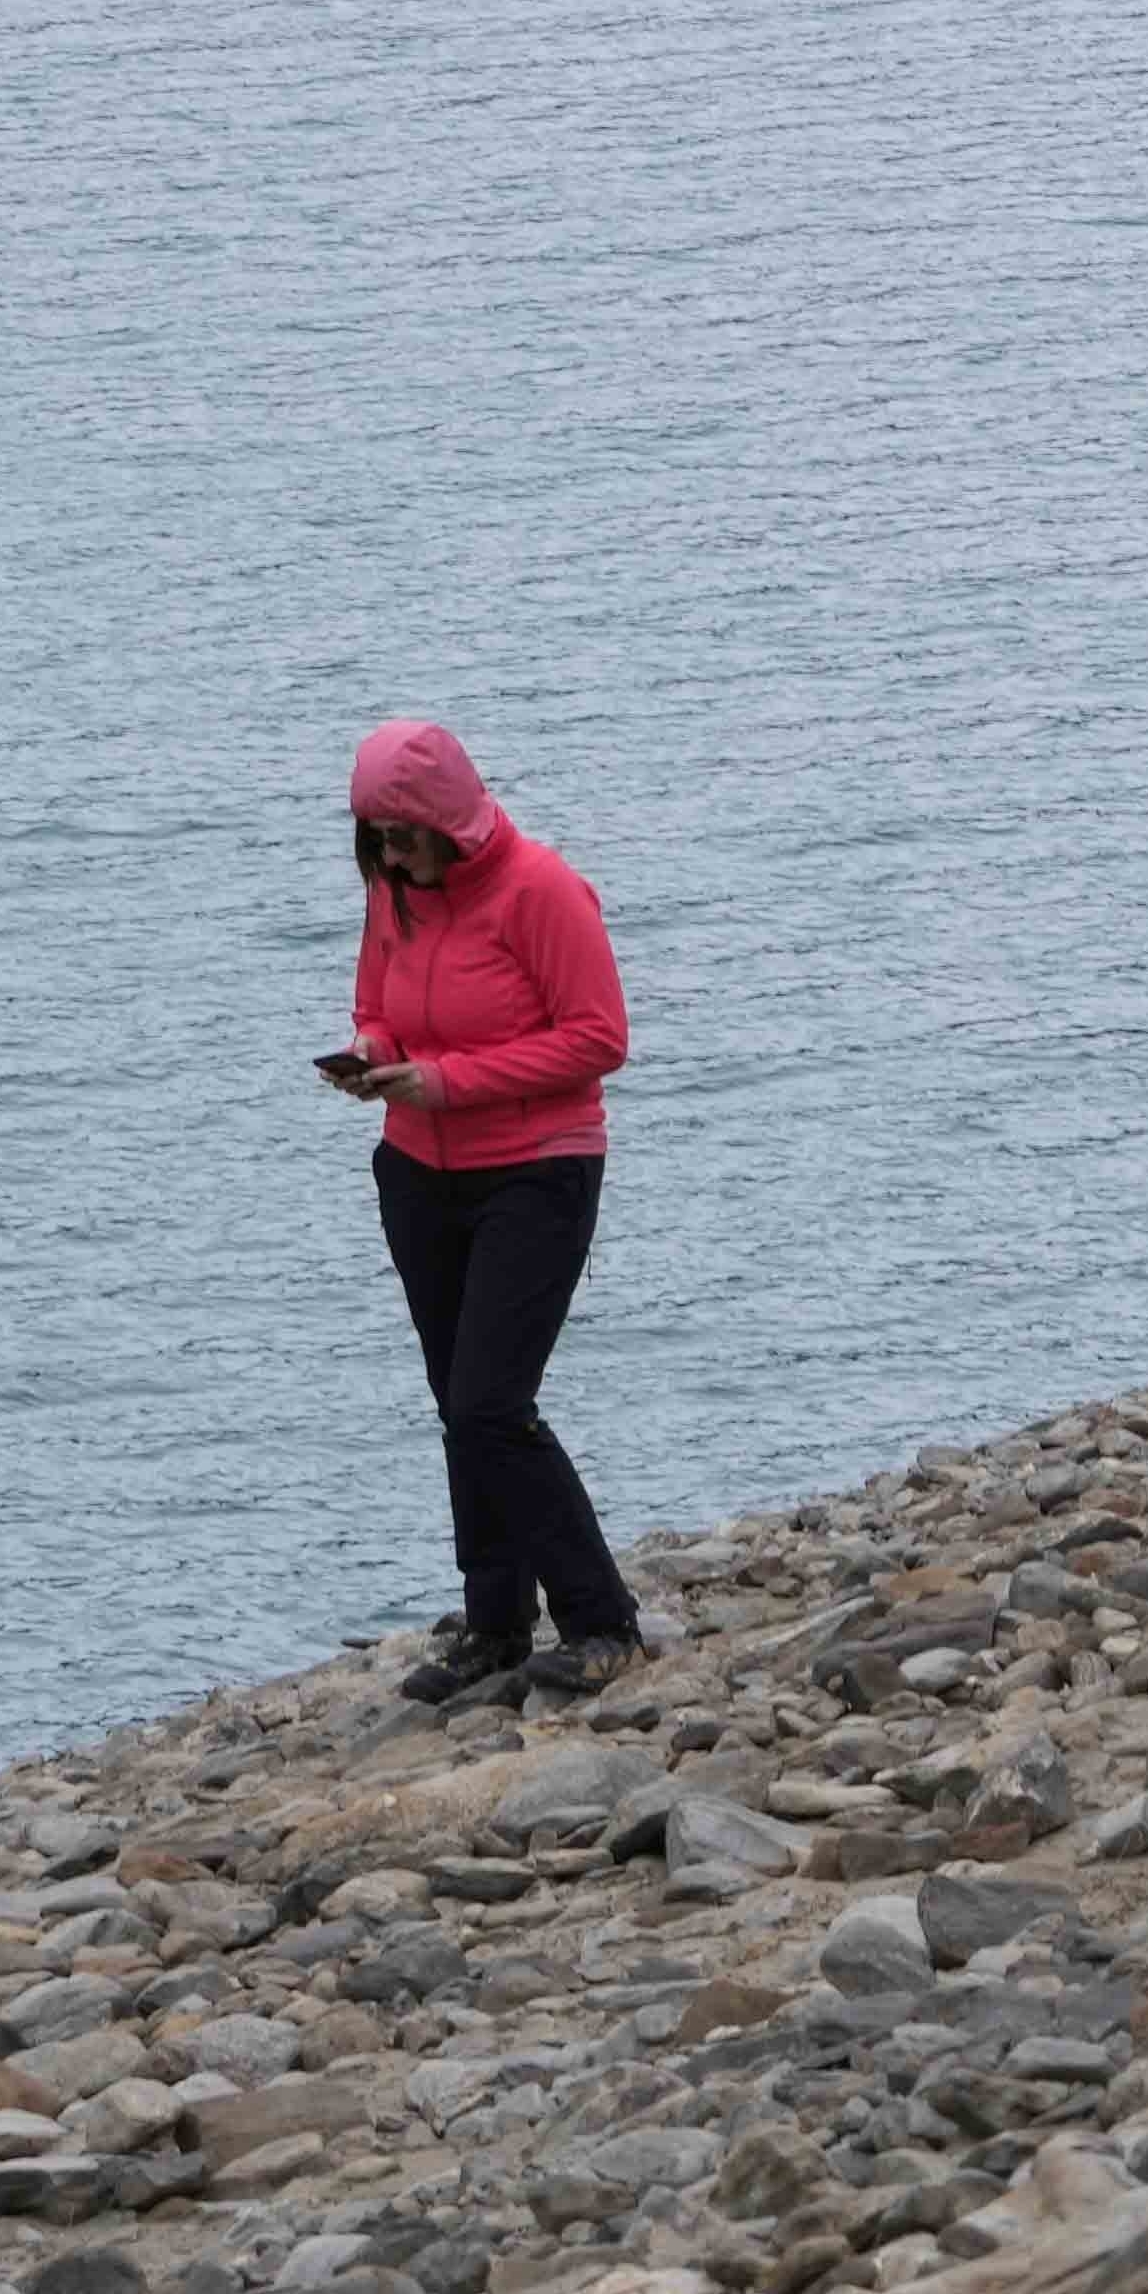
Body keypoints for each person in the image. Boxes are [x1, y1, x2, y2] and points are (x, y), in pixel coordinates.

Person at [330, 717, 646, 1705]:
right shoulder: (396, 896)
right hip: (418, 1171)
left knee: (491, 1406)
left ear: (448, 820)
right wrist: (378, 1061)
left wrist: (447, 1081)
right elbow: (376, 1002)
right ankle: (496, 1623)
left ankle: (601, 1623)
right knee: (457, 1407)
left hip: (537, 1172)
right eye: (375, 838)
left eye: (402, 835)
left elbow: (599, 1039)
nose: (388, 856)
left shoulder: (543, 891)